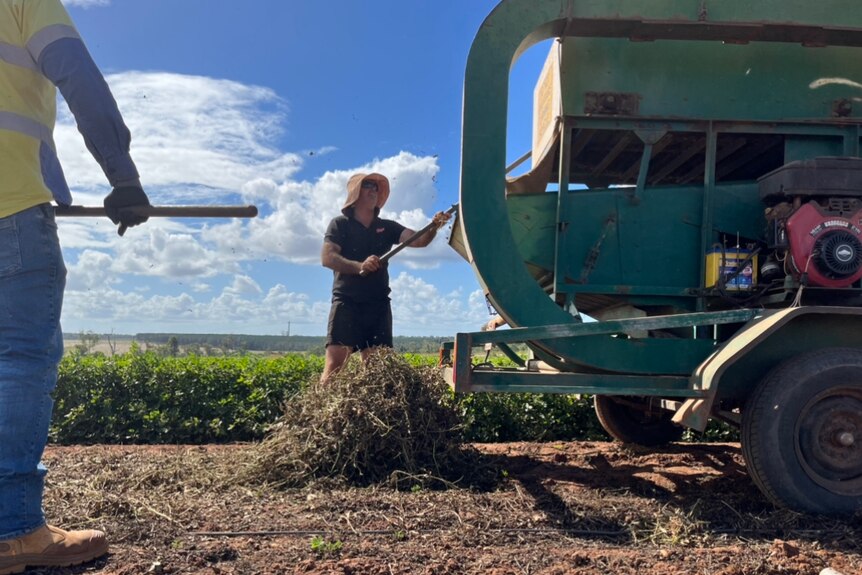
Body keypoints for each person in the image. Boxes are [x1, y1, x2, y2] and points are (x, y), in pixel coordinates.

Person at [0, 1, 150, 572]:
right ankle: (12, 531)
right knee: (18, 360)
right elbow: (78, 75)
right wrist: (123, 177)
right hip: (9, 207)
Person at [320, 173, 450, 382]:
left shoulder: (387, 227)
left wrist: (435, 226)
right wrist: (359, 266)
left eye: (376, 187)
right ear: (355, 192)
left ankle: (370, 413)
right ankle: (319, 414)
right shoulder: (340, 225)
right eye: (368, 185)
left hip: (377, 305)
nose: (374, 190)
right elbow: (328, 257)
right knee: (334, 368)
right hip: (347, 303)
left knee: (377, 371)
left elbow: (419, 240)